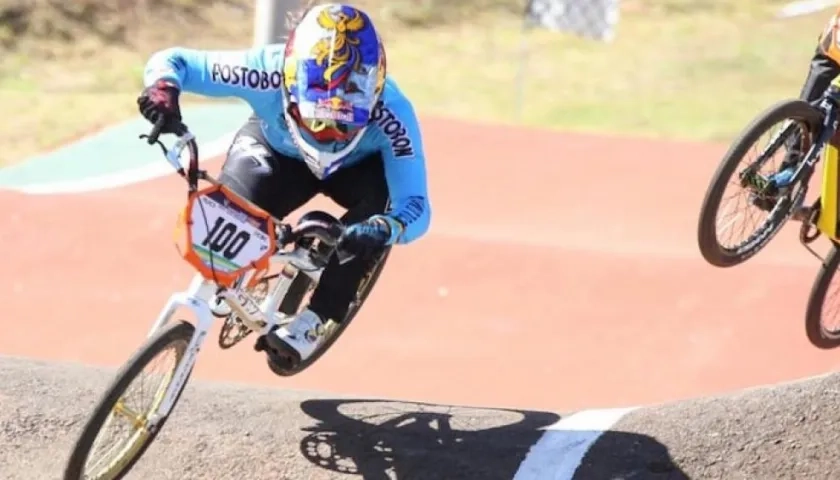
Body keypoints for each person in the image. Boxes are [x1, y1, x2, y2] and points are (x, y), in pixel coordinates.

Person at [135, 2, 432, 366]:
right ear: (289, 85)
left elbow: (416, 206)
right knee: (225, 219)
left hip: (358, 174)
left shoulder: (394, 113)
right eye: (317, 119)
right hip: (277, 152)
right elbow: (174, 61)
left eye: (345, 123)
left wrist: (386, 227)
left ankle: (318, 316)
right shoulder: (266, 71)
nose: (329, 135)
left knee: (372, 223)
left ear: (374, 96)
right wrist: (163, 90)